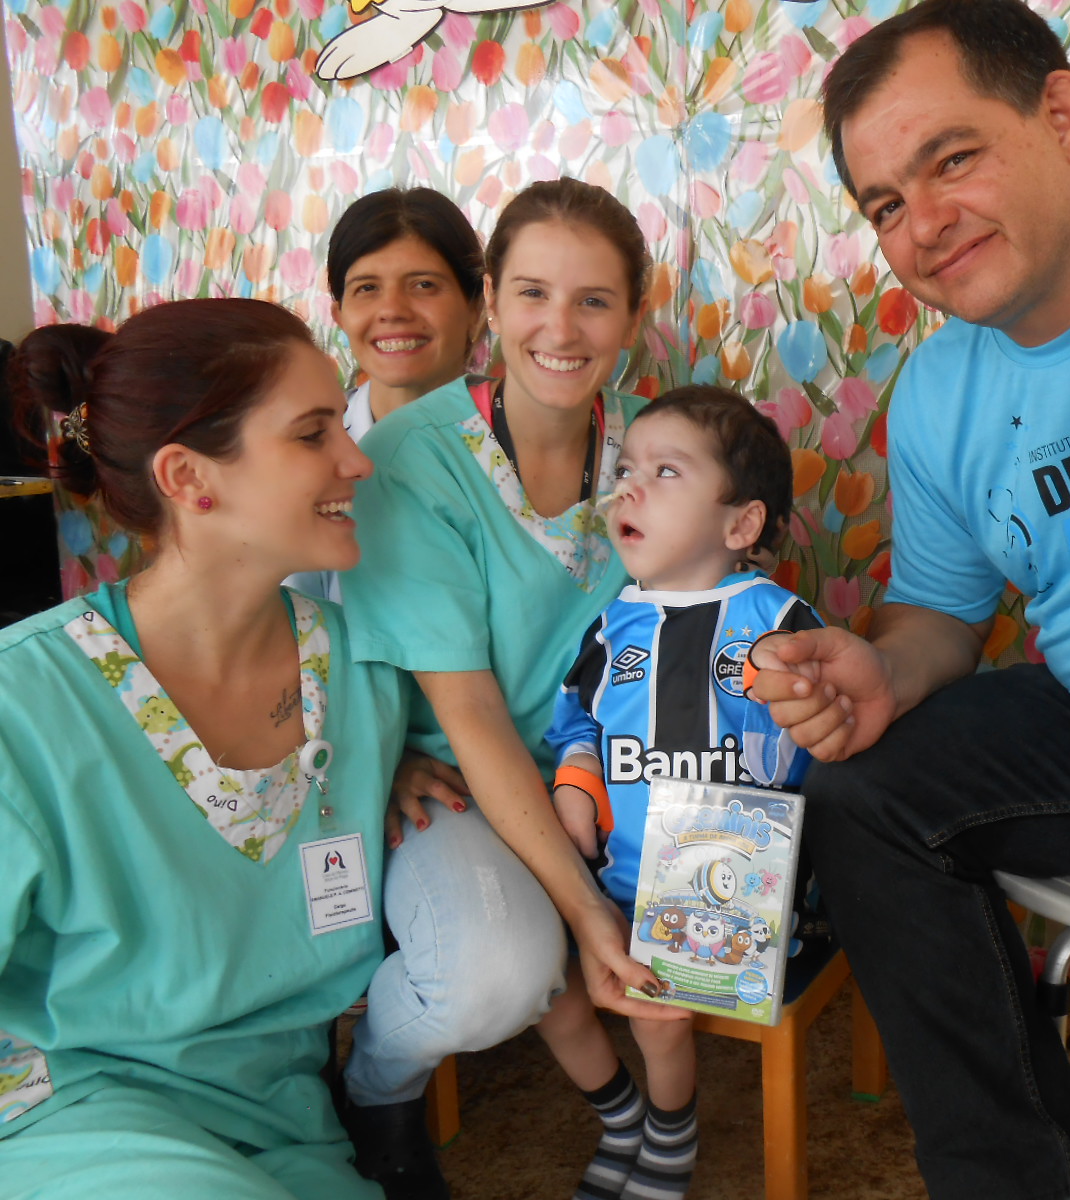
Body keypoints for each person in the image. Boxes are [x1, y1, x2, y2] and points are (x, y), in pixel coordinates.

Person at [746, 0, 1070, 1195]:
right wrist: (883, 669)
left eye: (952, 159)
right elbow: (940, 613)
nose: (922, 226)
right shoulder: (935, 395)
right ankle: (1019, 1176)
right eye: (883, 204)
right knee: (861, 787)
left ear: (1065, 118)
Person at [0, 298, 406, 1197]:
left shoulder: (364, 677)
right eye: (312, 434)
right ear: (189, 477)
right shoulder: (21, 704)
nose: (357, 460)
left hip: (280, 1120)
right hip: (65, 1101)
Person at [336, 177, 679, 1200]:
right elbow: (473, 717)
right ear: (491, 299)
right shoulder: (408, 462)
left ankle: (659, 1123)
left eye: (592, 301)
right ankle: (373, 1089)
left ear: (635, 310)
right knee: (495, 975)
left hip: (610, 779)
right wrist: (585, 914)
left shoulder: (659, 450)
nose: (558, 330)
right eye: (531, 294)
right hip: (454, 781)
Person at [541, 384, 820, 1199]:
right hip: (608, 886)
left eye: (665, 472)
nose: (629, 486)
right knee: (545, 993)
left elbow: (827, 736)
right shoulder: (610, 624)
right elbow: (575, 723)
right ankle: (620, 1113)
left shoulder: (776, 619)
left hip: (727, 895)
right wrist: (575, 786)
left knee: (657, 1015)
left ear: (740, 525)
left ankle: (670, 1132)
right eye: (626, 469)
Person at [287, 186, 484, 600]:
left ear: (477, 309)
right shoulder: (302, 449)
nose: (392, 309)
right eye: (367, 288)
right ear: (339, 315)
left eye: (424, 285)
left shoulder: (521, 438)